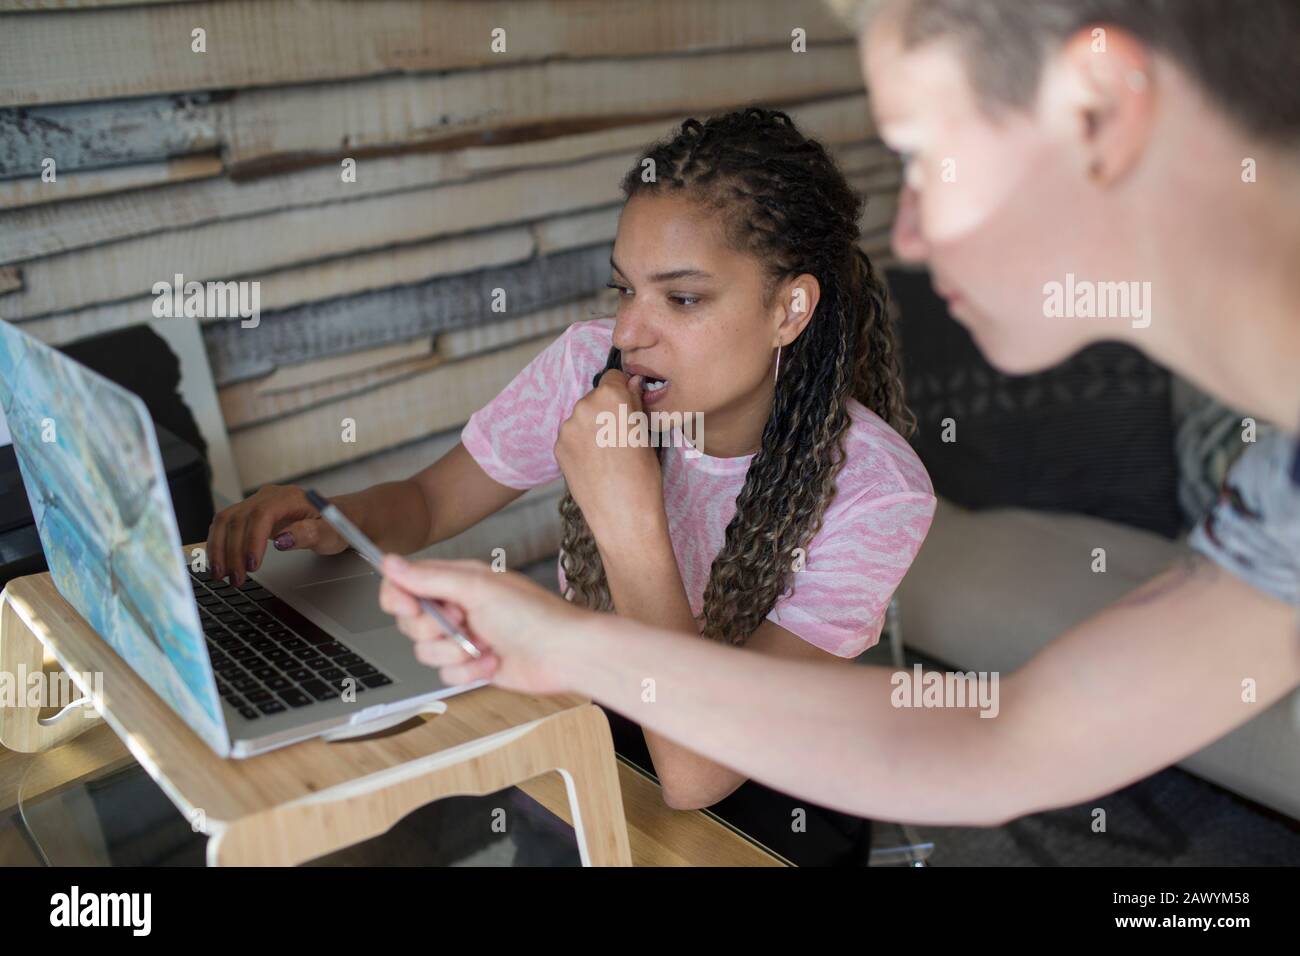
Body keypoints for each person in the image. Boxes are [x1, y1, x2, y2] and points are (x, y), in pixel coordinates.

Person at [377, 0, 1300, 827]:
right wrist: (559, 639)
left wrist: (622, 547)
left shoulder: (873, 482)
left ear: (1097, 108)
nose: (906, 236)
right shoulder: (1283, 498)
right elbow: (1009, 743)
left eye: (923, 158)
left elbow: (704, 778)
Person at [205, 108, 936, 861]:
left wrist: (629, 517)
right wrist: (330, 516)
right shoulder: (591, 366)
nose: (628, 334)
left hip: (761, 806)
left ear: (790, 309)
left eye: (681, 299)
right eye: (625, 289)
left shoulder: (877, 493)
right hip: (592, 736)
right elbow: (428, 502)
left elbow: (694, 773)